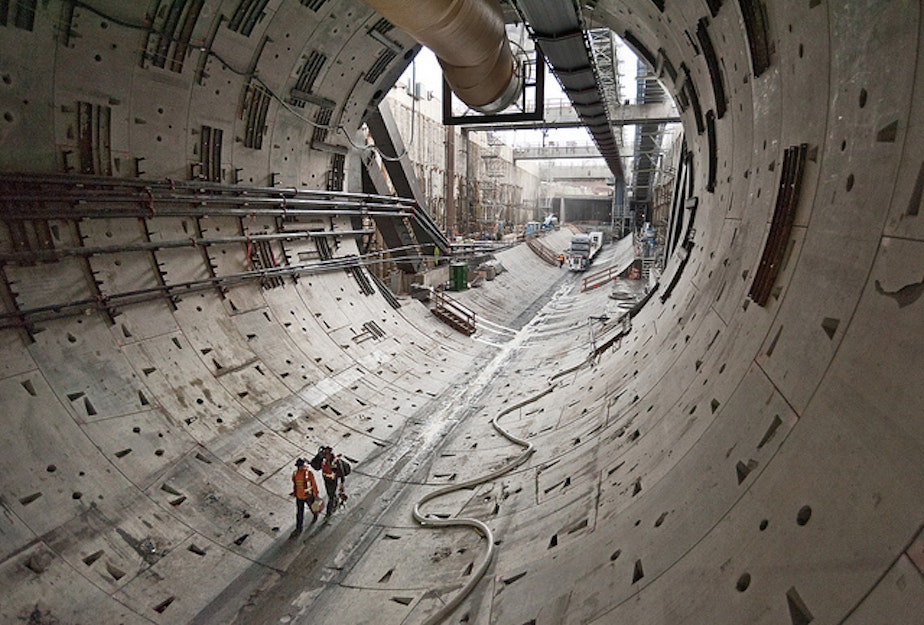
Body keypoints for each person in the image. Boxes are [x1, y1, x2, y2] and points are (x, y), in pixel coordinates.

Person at [290, 458, 319, 537]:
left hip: (308, 495)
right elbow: (295, 484)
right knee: (299, 513)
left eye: (301, 466)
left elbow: (313, 484)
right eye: (299, 466)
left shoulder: (309, 473)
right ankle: (299, 528)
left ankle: (315, 514)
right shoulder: (295, 474)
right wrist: (294, 492)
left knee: (313, 507)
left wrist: (316, 494)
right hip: (299, 496)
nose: (301, 467)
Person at [320, 446, 347, 518]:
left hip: (333, 481)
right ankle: (335, 500)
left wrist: (342, 482)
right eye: (325, 454)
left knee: (331, 496)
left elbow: (341, 472)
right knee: (330, 494)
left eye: (327, 454)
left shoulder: (336, 461)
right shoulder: (324, 461)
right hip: (326, 481)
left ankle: (329, 511)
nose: (326, 456)